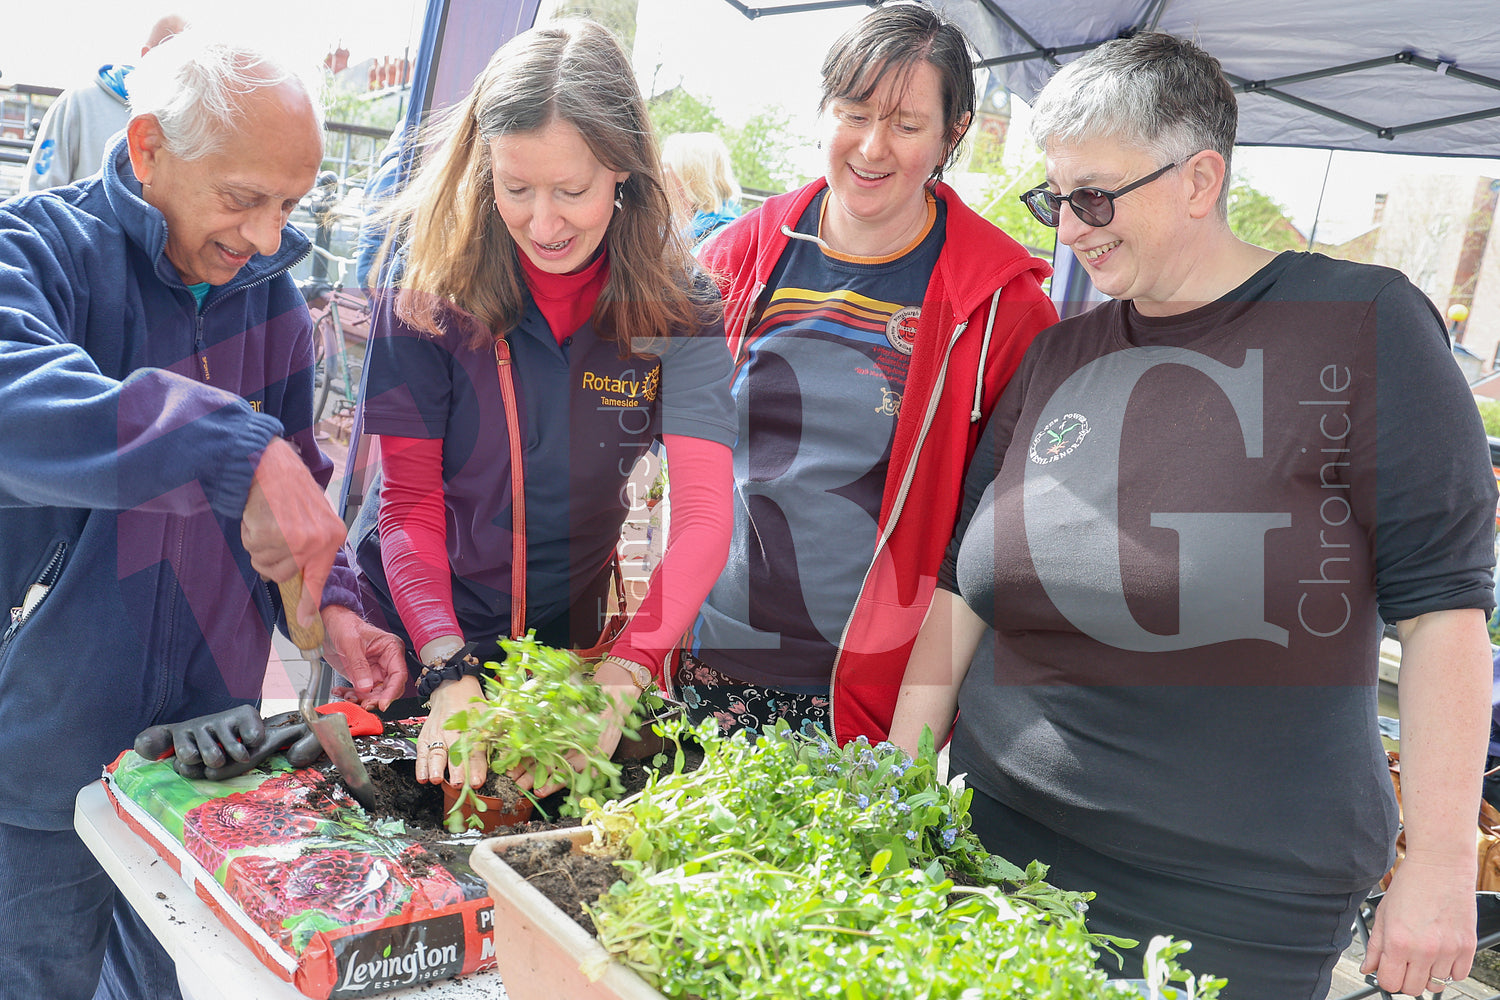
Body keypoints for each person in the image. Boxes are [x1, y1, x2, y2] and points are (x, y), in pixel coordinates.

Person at [888, 32, 1496, 1000]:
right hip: (993, 842)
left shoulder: (1361, 320)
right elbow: (965, 588)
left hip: (1226, 892)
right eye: (1056, 200)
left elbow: (1444, 613)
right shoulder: (1062, 354)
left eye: (1094, 196)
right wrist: (899, 783)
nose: (1072, 228)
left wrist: (1440, 867)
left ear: (1199, 177)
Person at [0, 31, 408, 1000]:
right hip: (40, 751)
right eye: (242, 198)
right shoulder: (37, 247)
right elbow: (19, 396)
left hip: (205, 758)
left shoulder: (269, 297)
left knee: (175, 978)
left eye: (291, 204)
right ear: (146, 149)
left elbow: (297, 474)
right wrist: (233, 443)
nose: (268, 238)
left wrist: (337, 599)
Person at [352, 19, 736, 789]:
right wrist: (445, 665)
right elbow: (410, 504)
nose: (544, 222)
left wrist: (628, 671)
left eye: (573, 190)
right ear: (481, 165)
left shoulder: (680, 306)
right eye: (515, 188)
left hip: (565, 635)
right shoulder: (426, 287)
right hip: (414, 621)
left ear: (623, 170)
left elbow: (702, 517)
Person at [683, 3, 1057, 743]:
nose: (872, 147)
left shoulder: (1002, 308)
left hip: (869, 692)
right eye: (853, 113)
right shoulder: (737, 259)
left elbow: (999, 541)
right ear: (822, 110)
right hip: (709, 657)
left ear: (954, 134)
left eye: (907, 125)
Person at [23, 13, 187, 192]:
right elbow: (38, 189)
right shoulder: (79, 101)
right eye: (172, 59)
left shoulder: (192, 118)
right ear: (146, 55)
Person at [661, 131, 741, 248]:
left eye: (665, 167)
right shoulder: (665, 223)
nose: (659, 174)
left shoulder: (724, 235)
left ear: (690, 176)